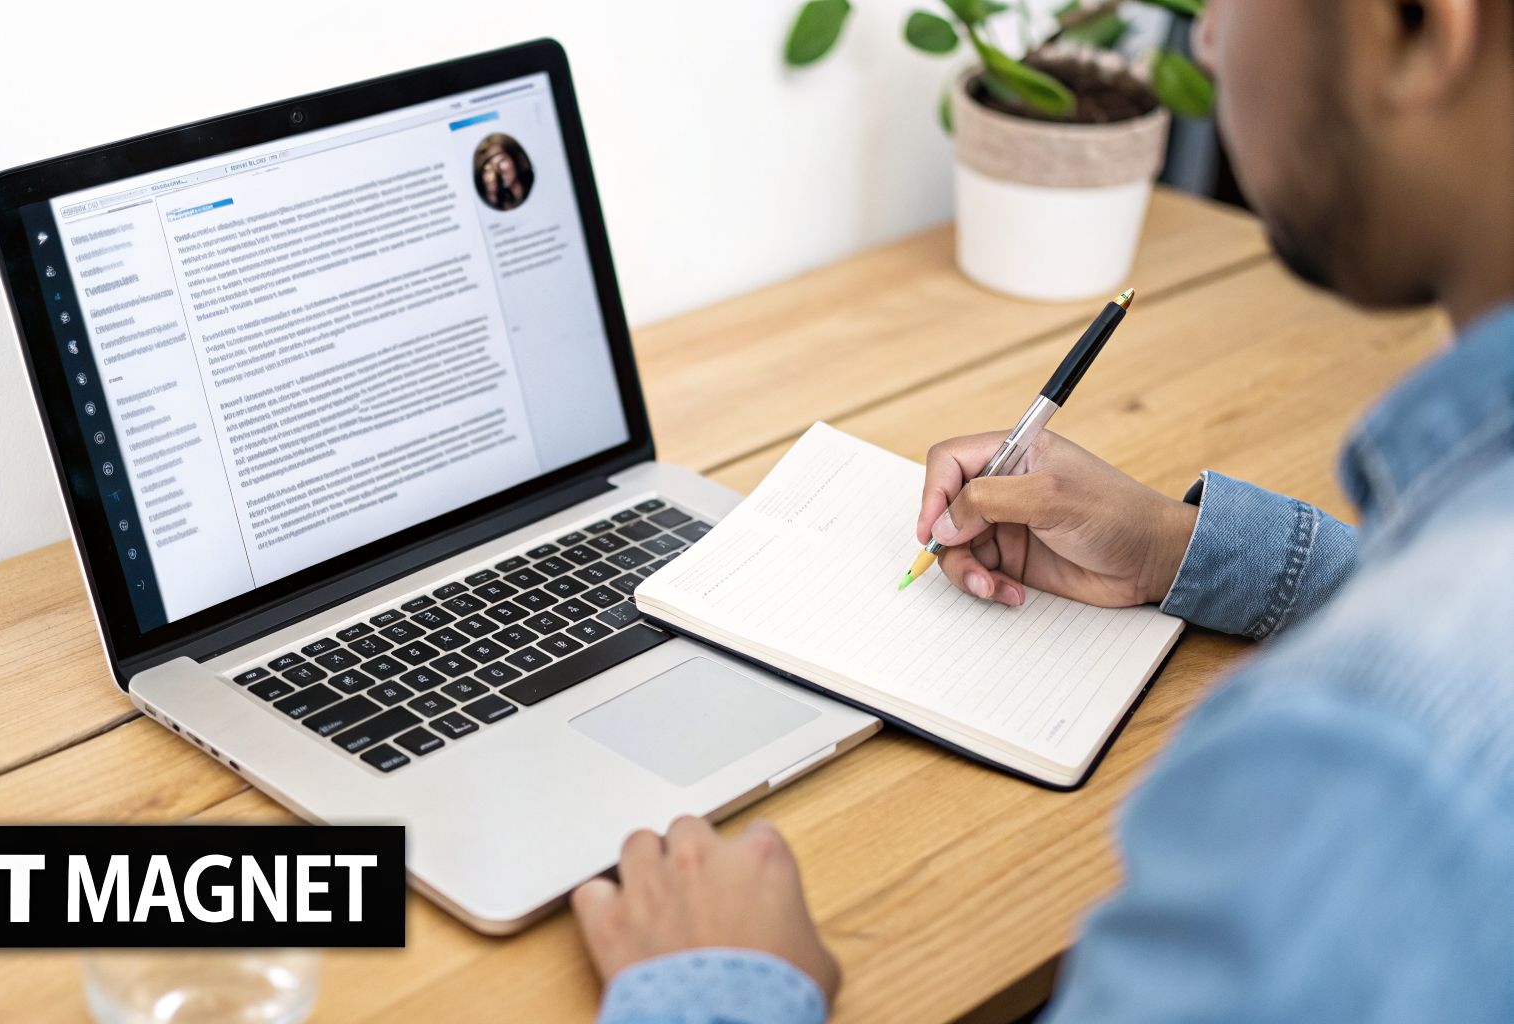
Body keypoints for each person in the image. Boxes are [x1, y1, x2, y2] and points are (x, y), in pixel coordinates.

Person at [575, 0, 1514, 1020]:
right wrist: (1175, 546)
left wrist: (720, 988)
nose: (1200, 42)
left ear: (1421, 29)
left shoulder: (1367, 765)